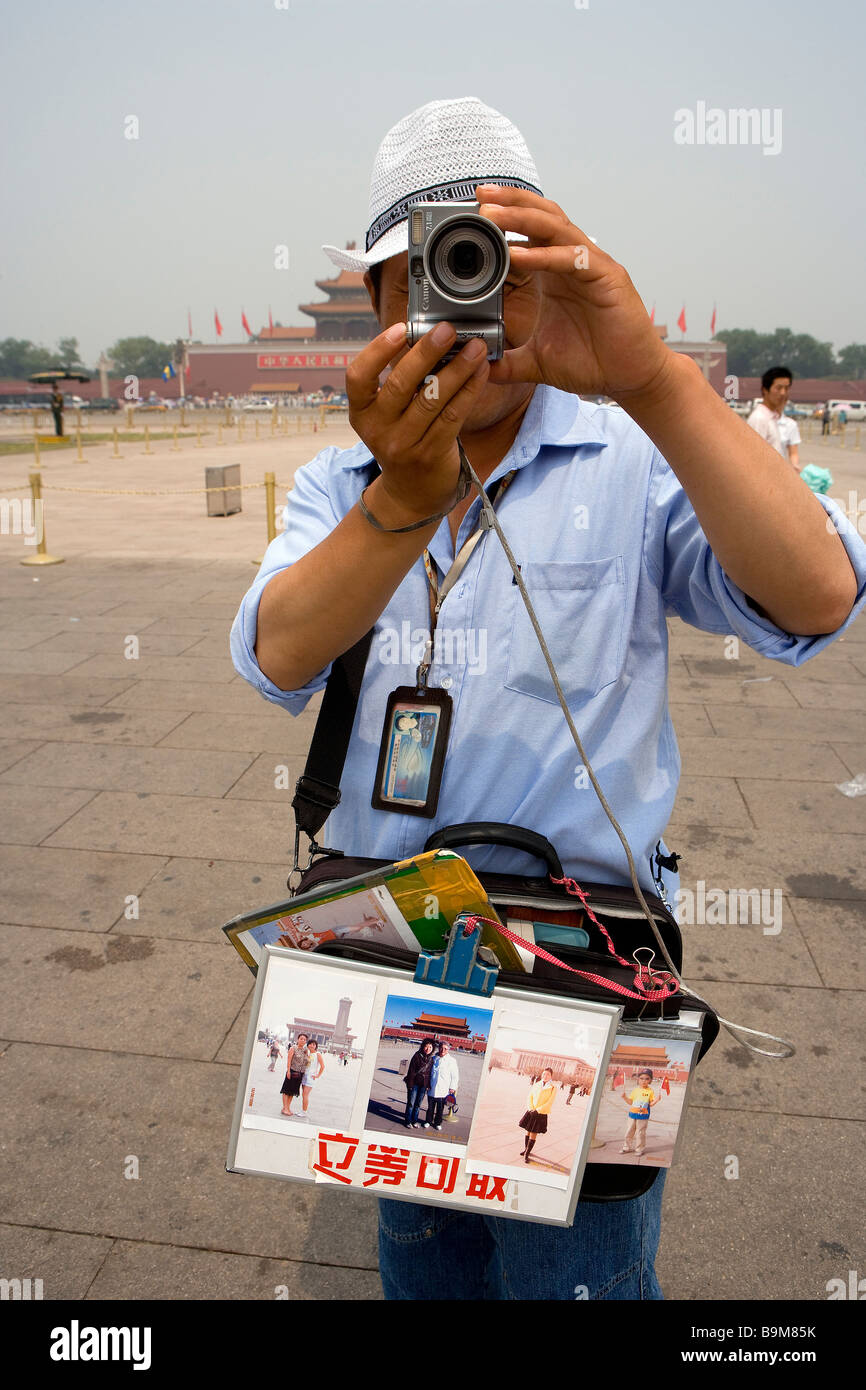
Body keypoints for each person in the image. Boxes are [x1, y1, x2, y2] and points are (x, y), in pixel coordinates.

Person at [231, 97, 866, 1301]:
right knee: (423, 1267)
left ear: (551, 281)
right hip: (397, 963)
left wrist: (656, 384)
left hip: (580, 967)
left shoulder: (634, 459)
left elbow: (816, 595)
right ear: (373, 305)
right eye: (430, 275)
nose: (465, 307)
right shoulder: (340, 484)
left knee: (580, 1279)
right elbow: (273, 654)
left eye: (496, 270)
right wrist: (398, 502)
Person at [746, 365, 794, 460]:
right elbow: (755, 457)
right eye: (778, 388)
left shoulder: (772, 417)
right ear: (765, 390)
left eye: (786, 388)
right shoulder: (759, 418)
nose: (783, 393)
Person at [519, 1067, 557, 1163]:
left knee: (533, 1134)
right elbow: (530, 1097)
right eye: (544, 1074)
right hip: (531, 1111)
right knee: (527, 1131)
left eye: (548, 1074)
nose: (545, 1076)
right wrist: (531, 1108)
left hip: (540, 1114)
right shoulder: (536, 1084)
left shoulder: (553, 1088)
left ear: (551, 1076)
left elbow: (550, 1102)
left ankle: (527, 1154)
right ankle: (525, 1149)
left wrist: (538, 1110)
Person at [620, 1069, 661, 1158]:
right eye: (641, 1078)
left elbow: (651, 1104)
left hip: (643, 1116)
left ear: (650, 1080)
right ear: (638, 1079)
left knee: (640, 1133)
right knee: (629, 1131)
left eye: (647, 1079)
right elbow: (631, 1102)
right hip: (632, 1115)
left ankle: (639, 1149)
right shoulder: (635, 1090)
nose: (644, 1081)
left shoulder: (650, 1091)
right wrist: (624, 1097)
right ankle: (626, 1147)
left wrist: (657, 1100)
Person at [425, 1041, 459, 1130]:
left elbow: (455, 1076)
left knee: (440, 1108)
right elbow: (428, 1073)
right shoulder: (433, 1058)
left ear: (448, 1050)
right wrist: (427, 1084)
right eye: (441, 1048)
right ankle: (428, 1121)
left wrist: (452, 1087)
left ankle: (437, 1123)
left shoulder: (452, 1061)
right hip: (432, 1087)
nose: (443, 1050)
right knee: (430, 1107)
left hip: (443, 1088)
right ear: (438, 1048)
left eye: (445, 1048)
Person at [404, 1038, 435, 1127]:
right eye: (426, 1046)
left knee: (418, 1104)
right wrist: (410, 1084)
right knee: (411, 1103)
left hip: (423, 1085)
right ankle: (408, 1121)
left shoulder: (431, 1059)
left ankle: (414, 1121)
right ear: (423, 1046)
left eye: (430, 1047)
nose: (428, 1049)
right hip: (414, 1084)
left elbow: (429, 1074)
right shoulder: (417, 1056)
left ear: (432, 1049)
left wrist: (428, 1085)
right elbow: (411, 1071)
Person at [280, 1033, 310, 1117]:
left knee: (292, 1092)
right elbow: (289, 1060)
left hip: (300, 1074)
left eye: (304, 1039)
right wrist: (288, 1071)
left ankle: (287, 1107)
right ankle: (285, 1108)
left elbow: (307, 1061)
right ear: (298, 1039)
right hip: (292, 1071)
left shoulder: (305, 1050)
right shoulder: (293, 1048)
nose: (303, 1040)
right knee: (286, 1091)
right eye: (301, 1039)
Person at [300, 1039, 325, 1114]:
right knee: (303, 1094)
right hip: (304, 1075)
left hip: (311, 1077)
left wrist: (317, 1075)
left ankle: (304, 1112)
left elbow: (322, 1066)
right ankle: (303, 1111)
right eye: (310, 1044)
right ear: (307, 1045)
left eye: (314, 1044)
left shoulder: (318, 1054)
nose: (312, 1045)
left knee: (305, 1095)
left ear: (316, 1046)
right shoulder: (307, 1053)